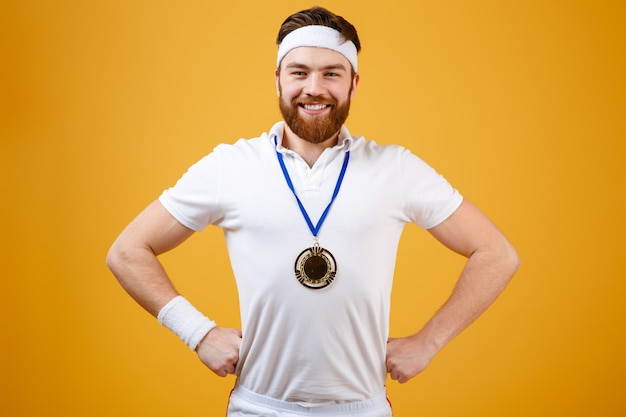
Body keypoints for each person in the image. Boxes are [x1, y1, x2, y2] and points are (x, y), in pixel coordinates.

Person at [106, 6, 520, 417]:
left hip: (361, 409)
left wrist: (429, 342)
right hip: (258, 407)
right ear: (278, 80)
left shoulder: (396, 168)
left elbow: (497, 255)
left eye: (331, 73)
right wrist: (197, 332)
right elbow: (127, 252)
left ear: (354, 84)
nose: (314, 88)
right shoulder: (230, 166)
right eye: (299, 72)